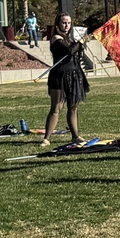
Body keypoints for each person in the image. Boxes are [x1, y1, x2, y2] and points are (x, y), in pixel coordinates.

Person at [41, 13, 89, 146]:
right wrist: (80, 43)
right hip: (59, 77)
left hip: (74, 76)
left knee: (73, 107)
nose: (66, 25)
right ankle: (46, 138)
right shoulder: (56, 38)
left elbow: (76, 52)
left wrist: (80, 43)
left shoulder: (71, 38)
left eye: (68, 22)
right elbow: (69, 51)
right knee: (56, 108)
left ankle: (75, 136)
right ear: (57, 25)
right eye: (63, 22)